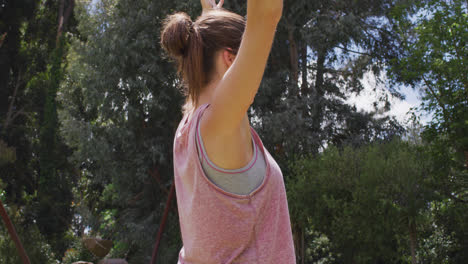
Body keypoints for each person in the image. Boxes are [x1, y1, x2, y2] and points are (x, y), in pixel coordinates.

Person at [160, 0, 295, 262]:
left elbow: (206, 68)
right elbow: (265, 15)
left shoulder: (188, 129)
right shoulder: (219, 124)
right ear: (231, 59)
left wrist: (210, 15)